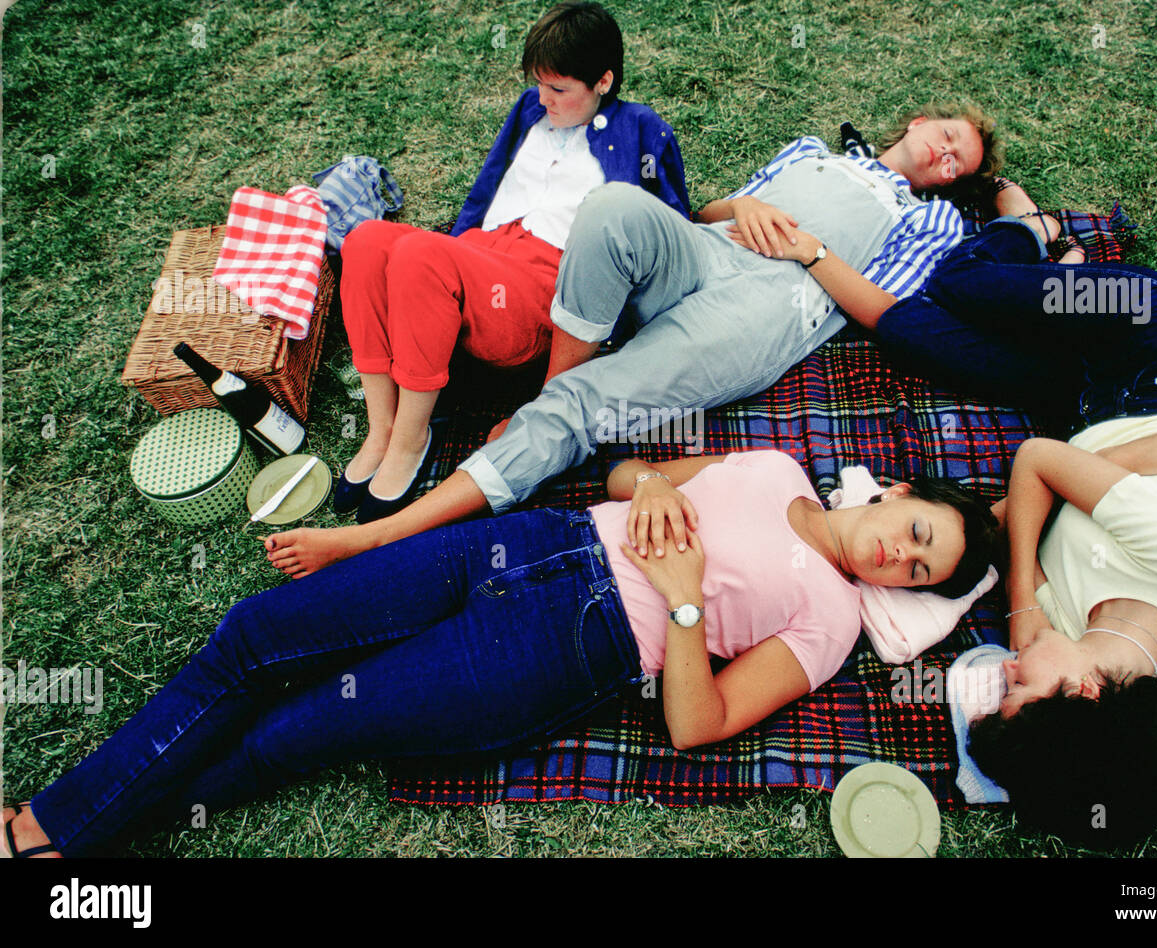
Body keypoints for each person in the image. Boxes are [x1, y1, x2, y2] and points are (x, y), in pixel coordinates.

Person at [2, 450, 997, 856]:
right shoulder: (775, 461)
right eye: (916, 534)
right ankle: (65, 819)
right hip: (527, 542)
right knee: (255, 637)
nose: (899, 558)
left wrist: (689, 606)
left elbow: (697, 726)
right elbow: (625, 473)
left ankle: (52, 829)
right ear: (896, 495)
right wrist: (649, 479)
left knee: (288, 736)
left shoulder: (826, 626)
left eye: (918, 575)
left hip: (561, 647)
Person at [266, 103, 1002, 576]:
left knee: (586, 406)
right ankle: (551, 395)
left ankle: (383, 535)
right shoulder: (814, 149)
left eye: (957, 164)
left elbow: (886, 315)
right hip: (712, 245)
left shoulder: (935, 223)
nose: (944, 158)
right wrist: (745, 206)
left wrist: (811, 253)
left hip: (778, 299)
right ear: (916, 123)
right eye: (947, 139)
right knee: (614, 205)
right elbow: (711, 206)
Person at [871, 192, 1157, 848]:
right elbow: (1034, 464)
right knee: (960, 283)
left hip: (1078, 404)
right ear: (1089, 694)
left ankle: (1061, 274)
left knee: (906, 331)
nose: (1007, 668)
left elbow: (1013, 507)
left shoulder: (1067, 641)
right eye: (1020, 687)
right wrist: (1021, 595)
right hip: (1147, 345)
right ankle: (1037, 226)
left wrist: (1092, 472)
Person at [336, 1, 690, 523]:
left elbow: (667, 229)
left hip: (541, 285)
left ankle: (413, 442)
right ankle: (382, 428)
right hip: (482, 254)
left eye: (559, 89)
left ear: (604, 81)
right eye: (539, 85)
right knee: (365, 240)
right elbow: (487, 189)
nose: (543, 98)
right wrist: (447, 268)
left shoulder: (642, 130)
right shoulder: (529, 110)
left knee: (419, 252)